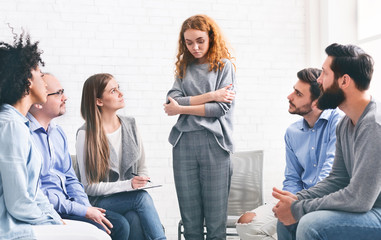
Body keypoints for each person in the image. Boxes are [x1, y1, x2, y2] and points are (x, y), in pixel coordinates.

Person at [0, 33, 110, 240]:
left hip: (31, 220)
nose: (44, 80)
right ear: (28, 81)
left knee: (96, 233)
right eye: (40, 75)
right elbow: (19, 203)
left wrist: (55, 219)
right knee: (99, 237)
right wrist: (52, 221)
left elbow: (35, 193)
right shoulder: (10, 126)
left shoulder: (19, 124)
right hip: (13, 228)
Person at [273, 43, 381, 240]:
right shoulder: (345, 124)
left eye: (324, 74)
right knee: (287, 222)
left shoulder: (374, 125)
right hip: (367, 208)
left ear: (344, 81)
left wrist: (299, 208)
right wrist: (297, 198)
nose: (319, 81)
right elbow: (337, 179)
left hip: (376, 211)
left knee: (311, 224)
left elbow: (360, 199)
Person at [235, 68, 343, 240]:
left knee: (299, 224)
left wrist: (297, 205)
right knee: (246, 223)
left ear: (316, 102)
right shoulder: (292, 132)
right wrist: (288, 202)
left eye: (298, 94)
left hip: (326, 200)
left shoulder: (339, 123)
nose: (289, 96)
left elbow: (330, 175)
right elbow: (292, 177)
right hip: (298, 197)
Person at [28, 73, 131, 239]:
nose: (65, 97)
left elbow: (70, 178)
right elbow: (38, 193)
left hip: (70, 204)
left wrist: (85, 207)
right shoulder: (25, 135)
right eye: (58, 93)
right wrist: (83, 210)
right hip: (50, 210)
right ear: (39, 101)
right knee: (118, 226)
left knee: (125, 221)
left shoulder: (57, 132)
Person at [163, 14, 236, 239]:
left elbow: (220, 110)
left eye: (200, 41)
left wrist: (182, 108)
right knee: (191, 223)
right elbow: (170, 101)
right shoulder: (184, 67)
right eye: (189, 42)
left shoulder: (224, 66)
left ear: (210, 38)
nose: (195, 47)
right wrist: (212, 95)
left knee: (215, 225)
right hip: (183, 143)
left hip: (215, 144)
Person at [76, 73, 166, 240]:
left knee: (133, 218)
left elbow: (142, 166)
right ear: (99, 101)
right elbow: (88, 187)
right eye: (113, 91)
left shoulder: (130, 124)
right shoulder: (85, 134)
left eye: (119, 88)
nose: (121, 94)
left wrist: (141, 181)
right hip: (100, 202)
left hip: (128, 198)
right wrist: (128, 185)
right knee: (140, 199)